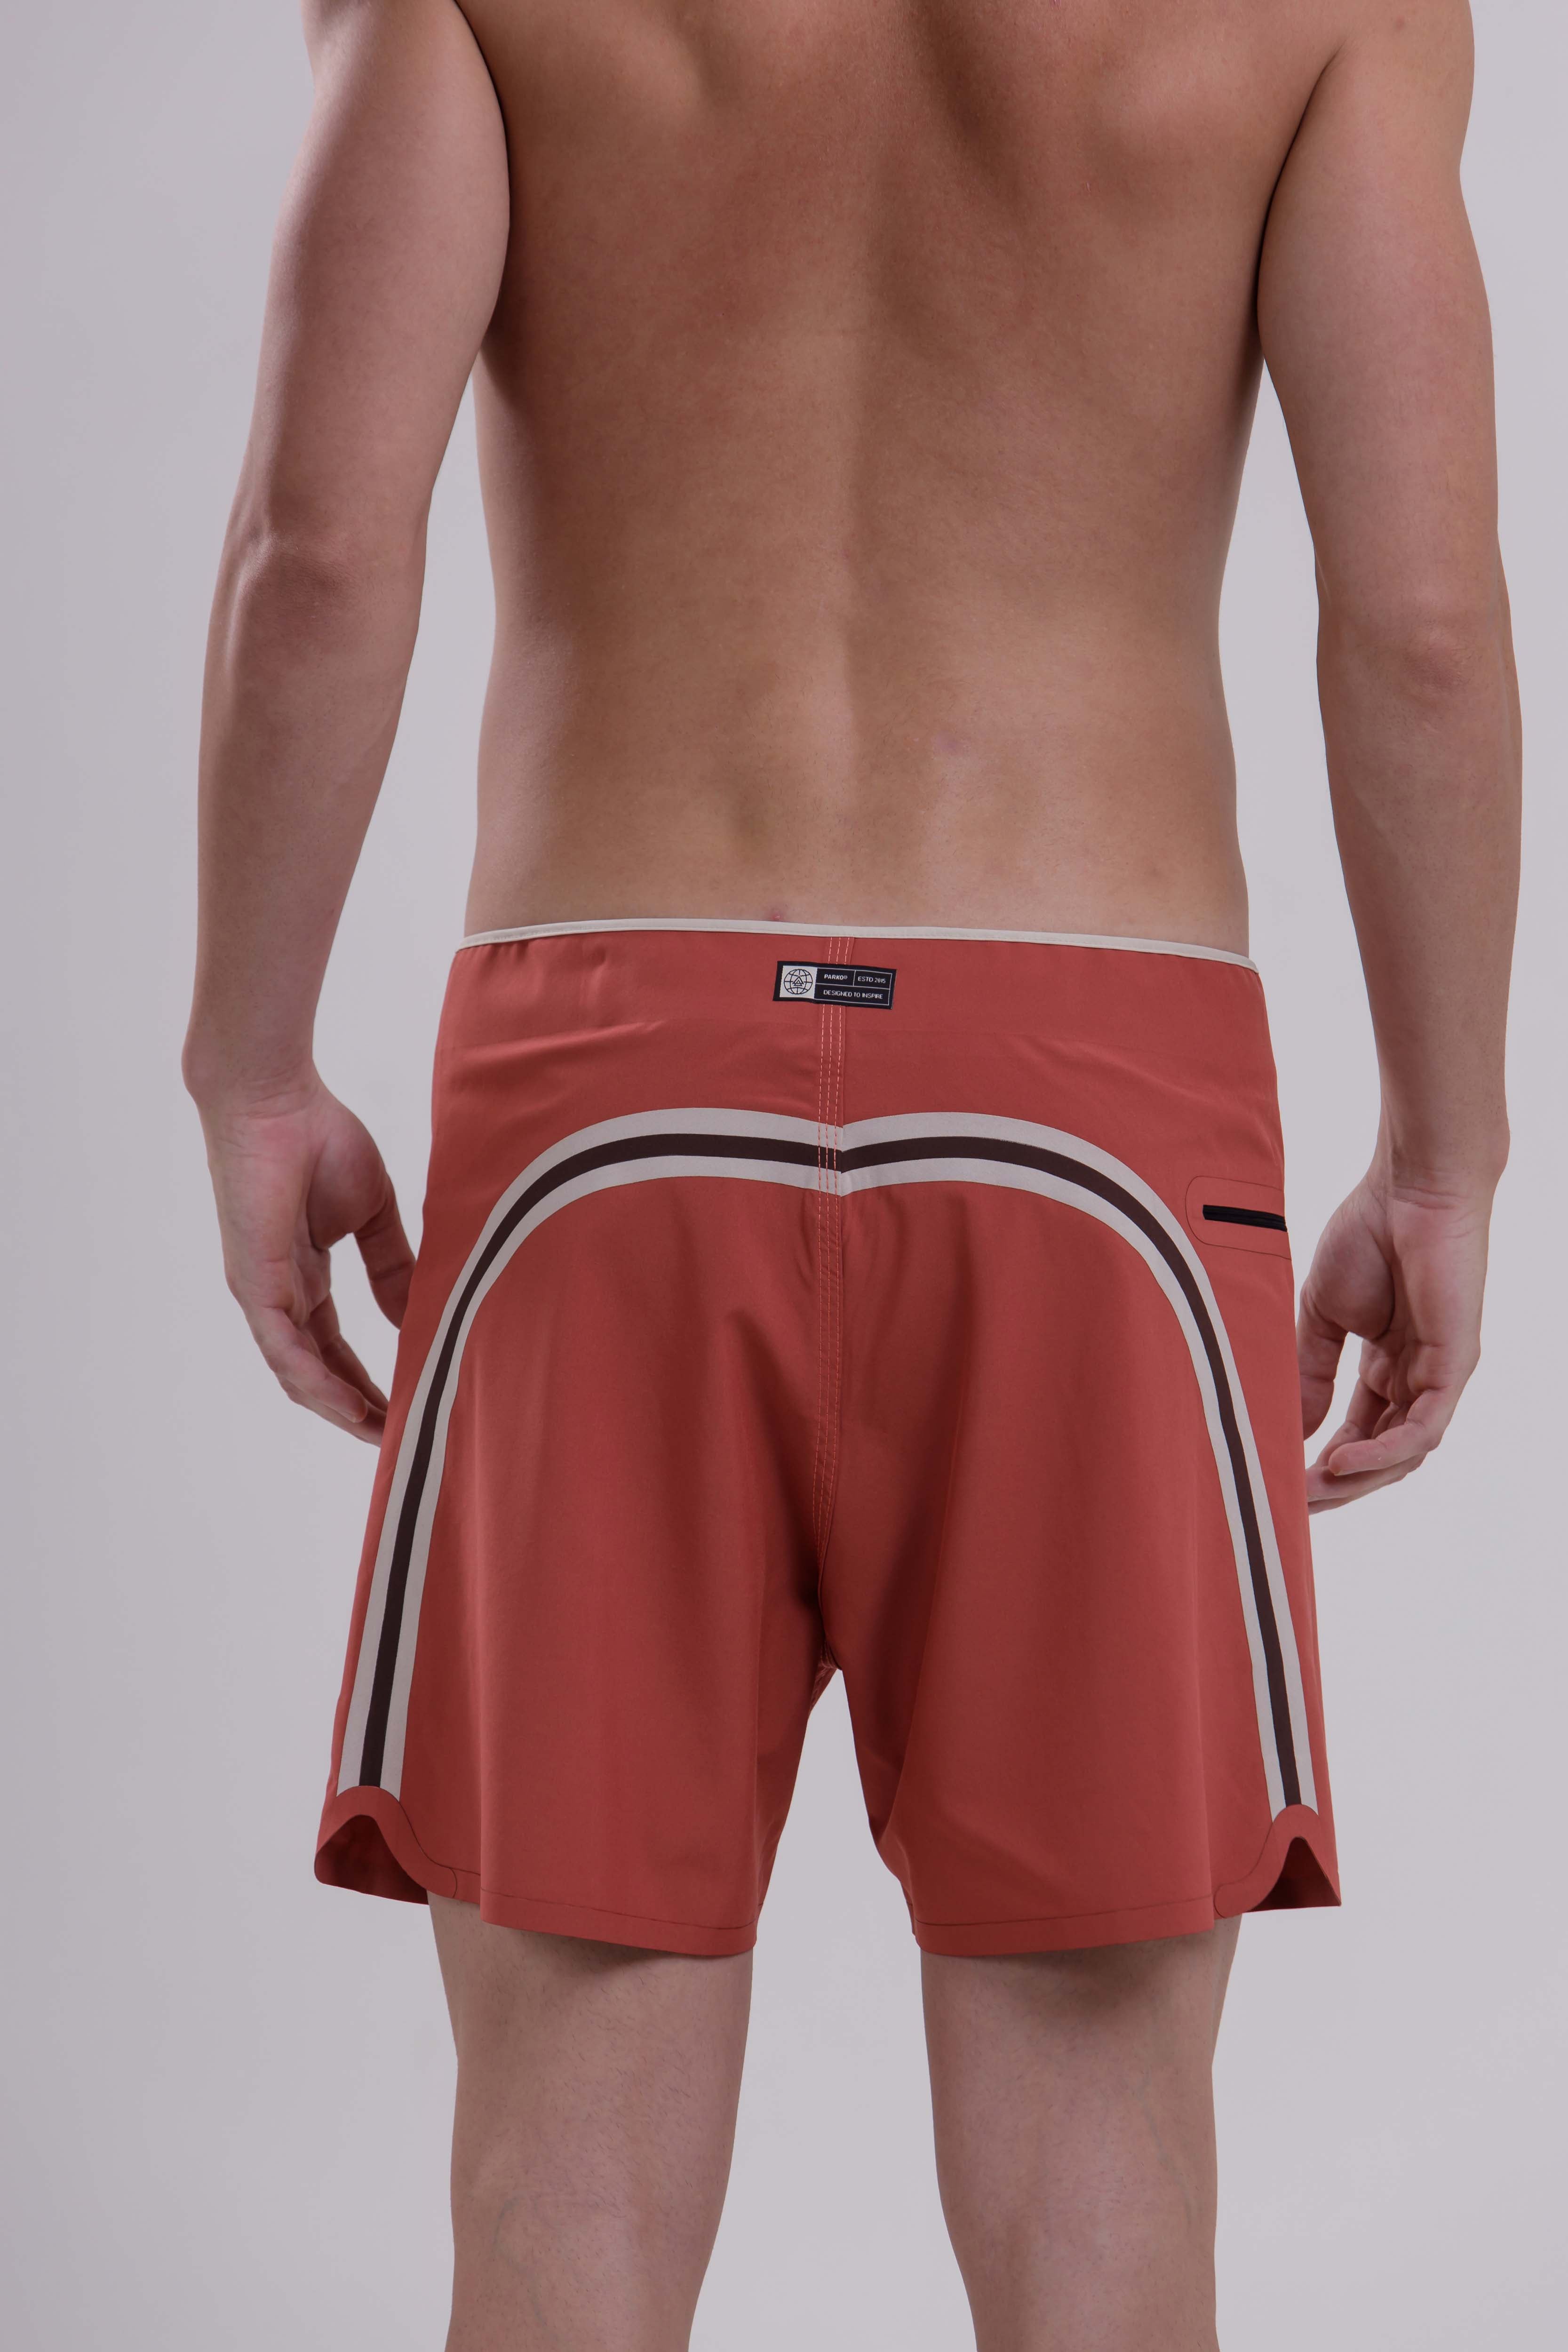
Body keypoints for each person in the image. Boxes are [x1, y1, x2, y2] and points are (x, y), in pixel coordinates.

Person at [183, 1, 1519, 2344]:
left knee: (564, 2167)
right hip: (1099, 1127)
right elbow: (1417, 626)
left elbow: (315, 548)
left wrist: (252, 1058)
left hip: (606, 1105)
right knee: (1101, 2167)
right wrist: (1446, 1146)